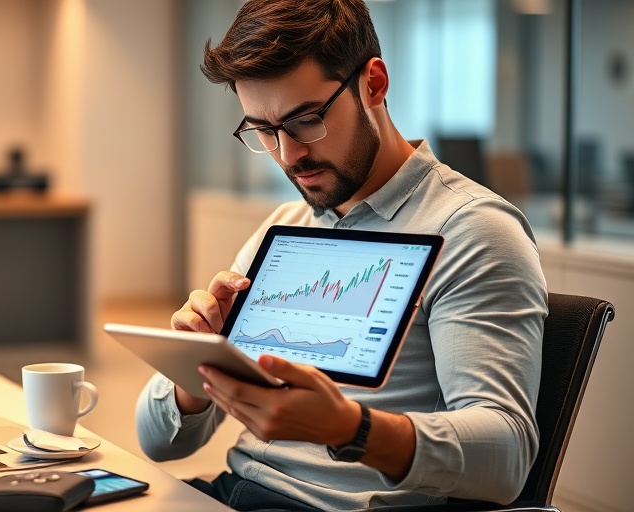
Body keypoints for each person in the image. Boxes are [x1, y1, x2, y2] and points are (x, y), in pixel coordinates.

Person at [135, 0, 548, 510]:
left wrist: (352, 430)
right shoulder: (286, 225)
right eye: (263, 130)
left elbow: (506, 460)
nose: (288, 155)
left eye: (306, 120)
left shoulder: (472, 230)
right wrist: (196, 369)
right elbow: (157, 442)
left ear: (374, 83)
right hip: (235, 493)